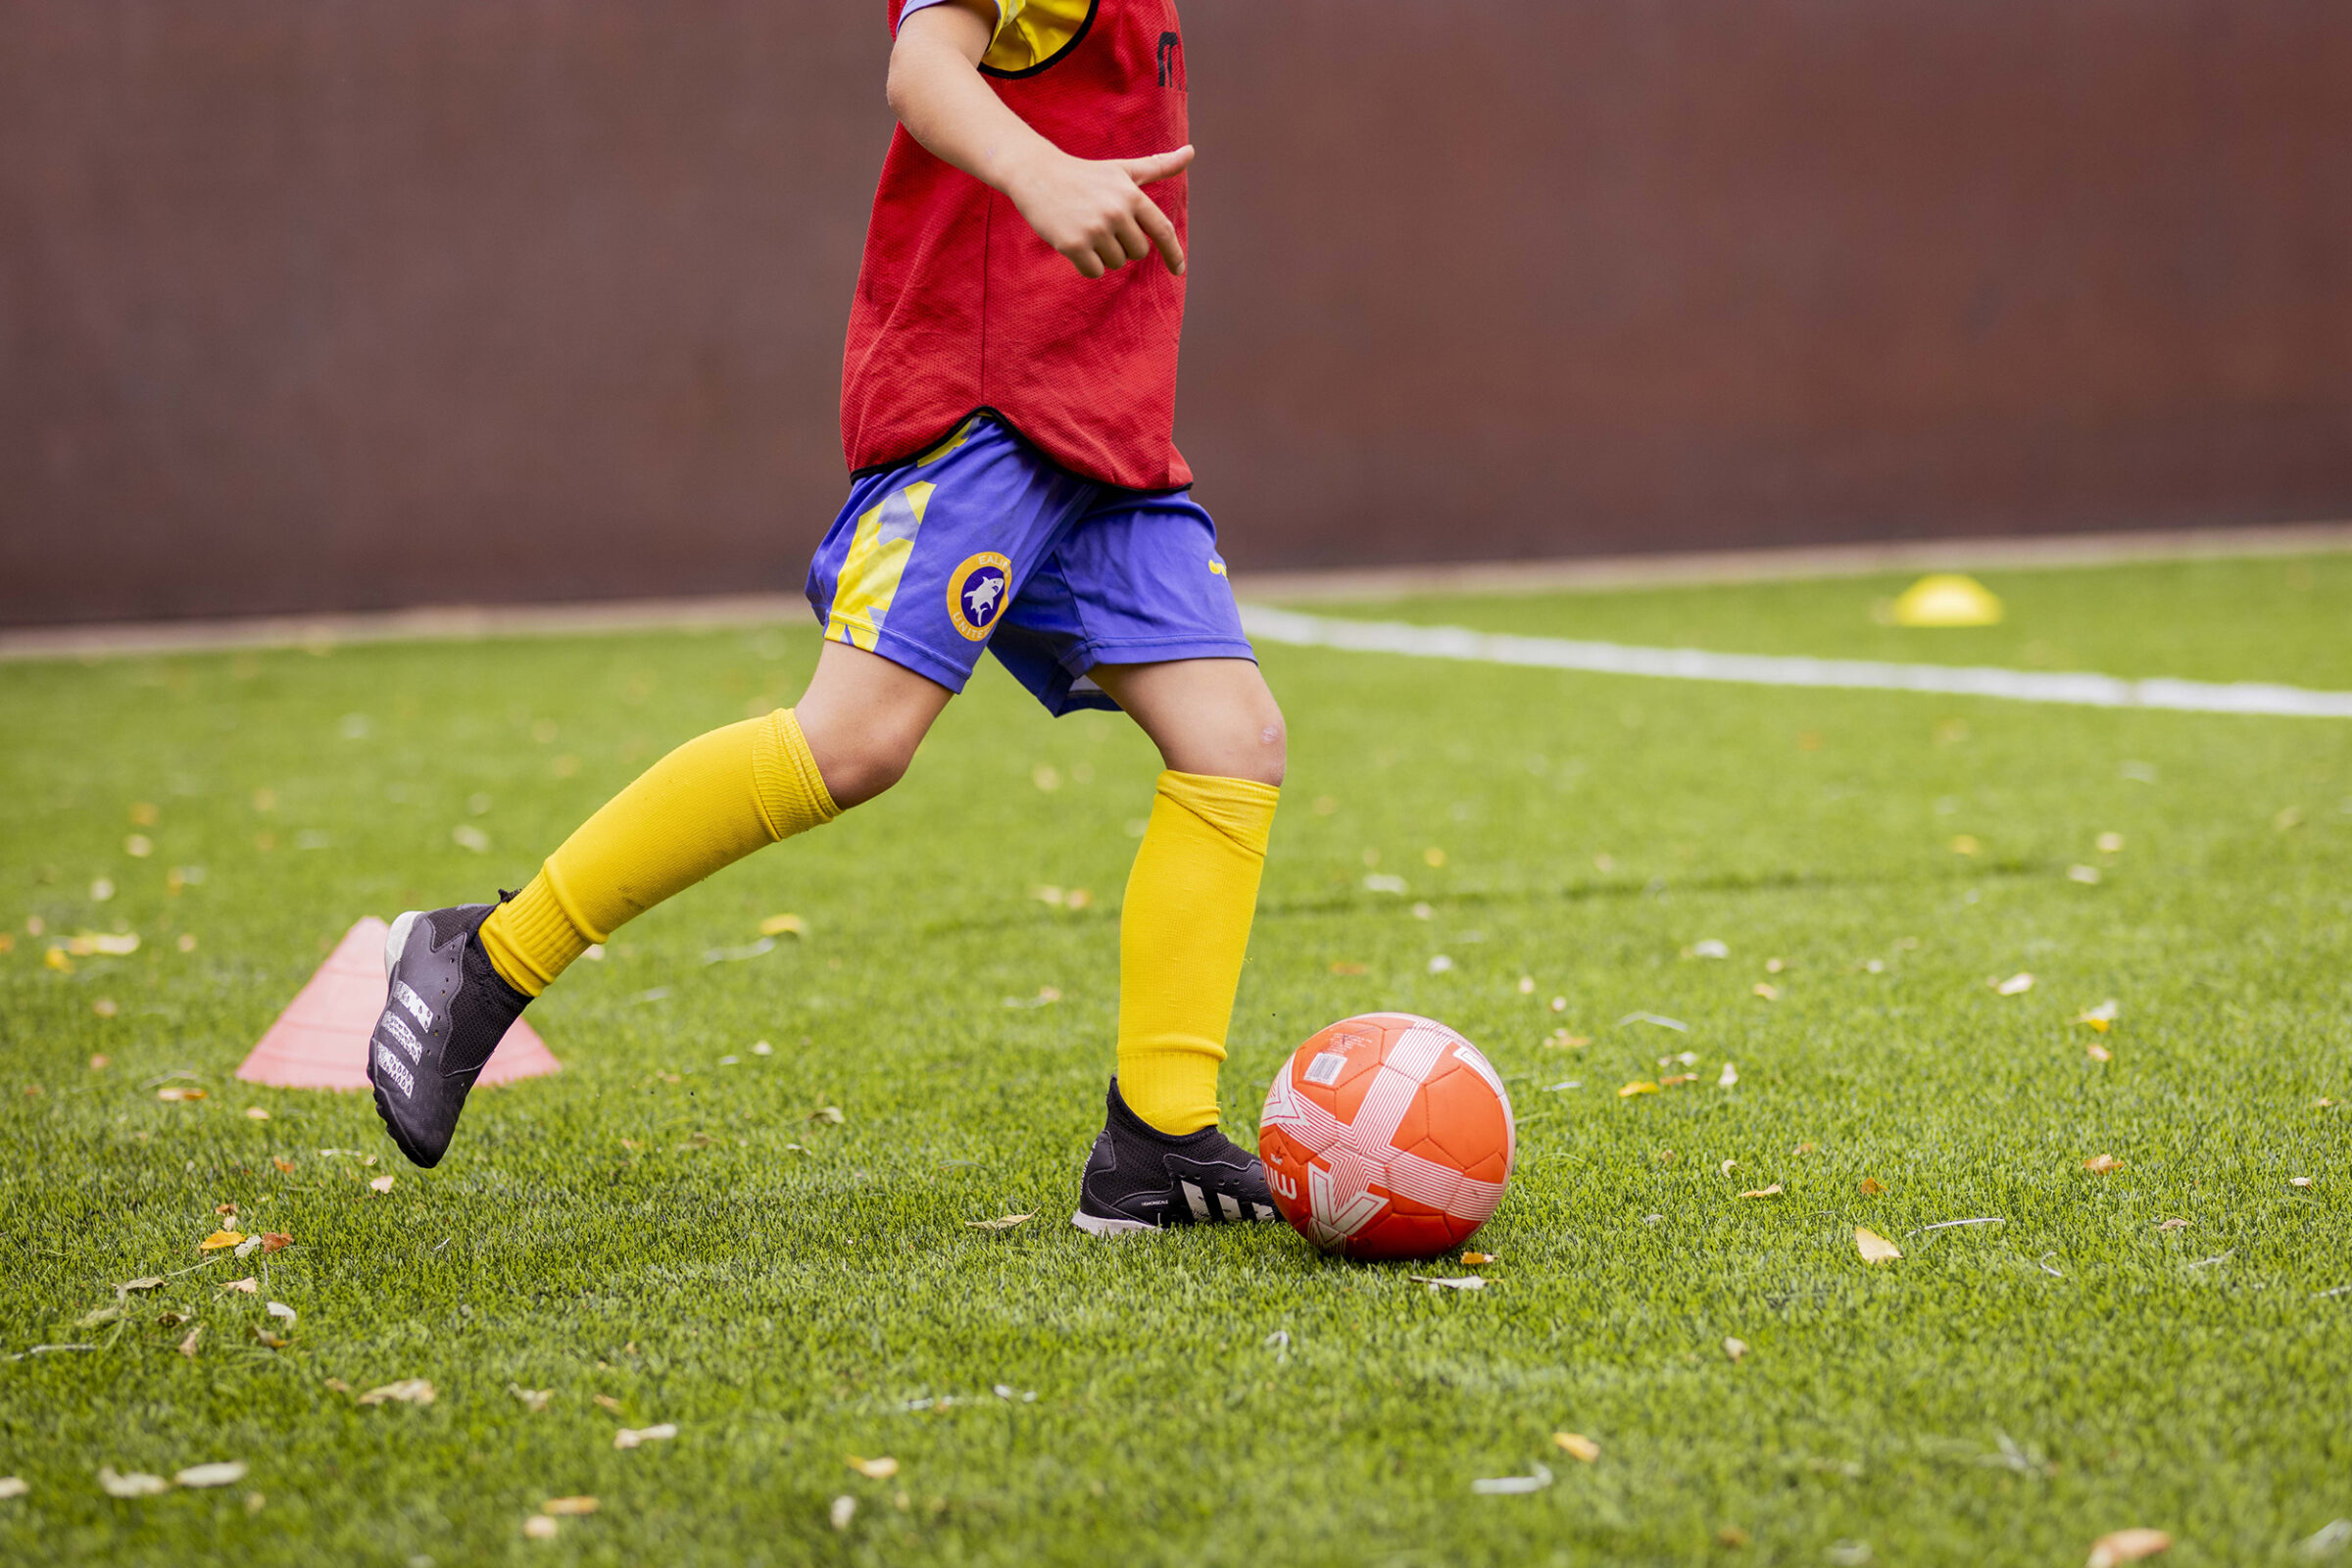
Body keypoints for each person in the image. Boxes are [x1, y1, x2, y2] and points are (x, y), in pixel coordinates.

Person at [366, 0, 1287, 1235]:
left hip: (1105, 437)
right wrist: (1040, 170)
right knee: (854, 742)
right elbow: (922, 65)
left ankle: (1156, 1141)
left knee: (1233, 740)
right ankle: (486, 957)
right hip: (983, 413)